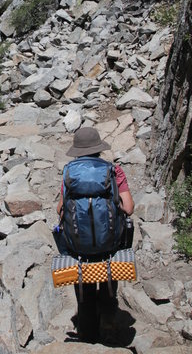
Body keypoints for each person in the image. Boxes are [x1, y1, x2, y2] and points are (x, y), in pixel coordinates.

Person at [56, 126, 134, 345]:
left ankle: (86, 331)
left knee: (84, 287)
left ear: (77, 151)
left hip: (79, 247)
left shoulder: (69, 172)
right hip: (109, 244)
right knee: (109, 283)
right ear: (99, 148)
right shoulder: (113, 171)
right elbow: (128, 207)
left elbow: (60, 209)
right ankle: (108, 326)